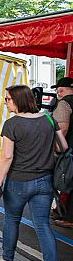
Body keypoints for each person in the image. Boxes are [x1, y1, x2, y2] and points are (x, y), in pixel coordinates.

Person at [0, 85, 67, 261]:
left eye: (7, 99)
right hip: (45, 181)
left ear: (18, 100)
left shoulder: (12, 124)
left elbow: (7, 156)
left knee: (12, 219)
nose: (5, 102)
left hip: (18, 181)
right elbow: (63, 147)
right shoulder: (48, 119)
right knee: (42, 225)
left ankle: (7, 259)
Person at [51, 77, 73, 228]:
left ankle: (69, 218)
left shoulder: (65, 103)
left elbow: (62, 128)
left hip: (70, 150)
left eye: (59, 89)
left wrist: (57, 150)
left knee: (68, 182)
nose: (58, 92)